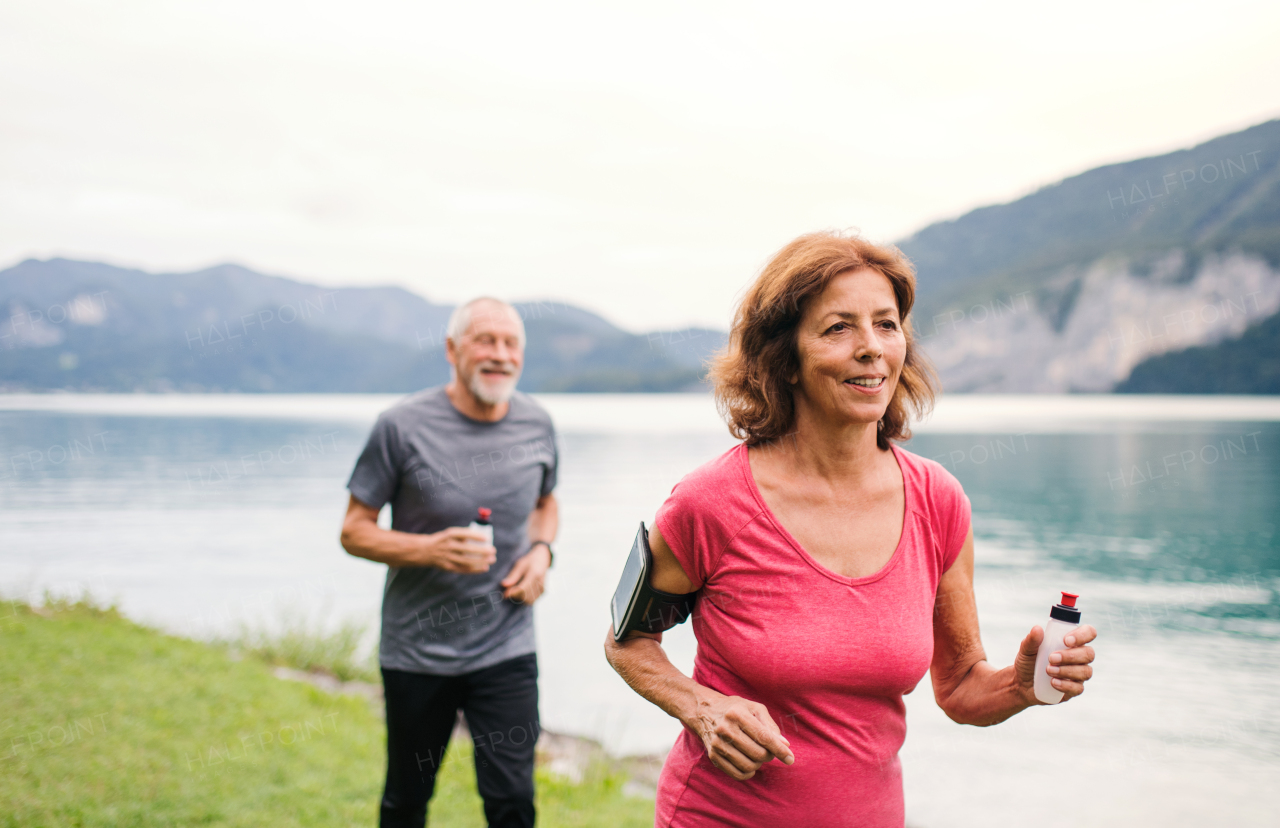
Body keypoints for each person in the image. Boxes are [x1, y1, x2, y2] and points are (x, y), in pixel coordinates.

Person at [604, 231, 1098, 827]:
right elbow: (627, 640)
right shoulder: (710, 504)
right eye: (839, 327)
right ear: (785, 359)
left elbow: (963, 686)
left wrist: (1021, 685)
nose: (872, 348)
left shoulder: (937, 502)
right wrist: (700, 706)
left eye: (886, 325)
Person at [341, 297, 558, 828]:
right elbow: (353, 530)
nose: (500, 354)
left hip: (506, 648)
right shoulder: (400, 426)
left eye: (511, 344)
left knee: (512, 801)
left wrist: (541, 551)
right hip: (419, 652)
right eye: (486, 340)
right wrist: (428, 549)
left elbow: (545, 502)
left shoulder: (537, 423)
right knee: (407, 800)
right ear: (452, 349)